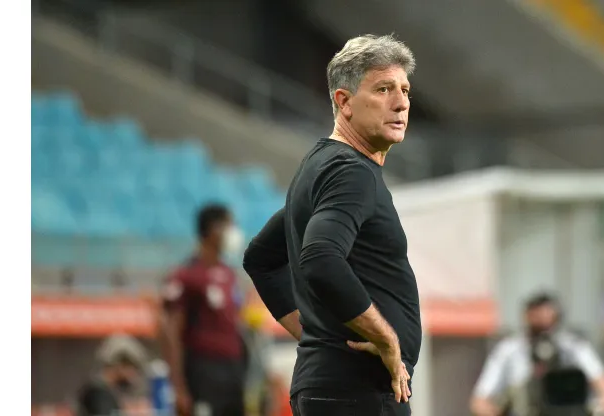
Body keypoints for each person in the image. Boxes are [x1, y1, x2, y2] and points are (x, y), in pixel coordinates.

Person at [242, 34, 421, 416]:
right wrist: (387, 340)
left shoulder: (320, 166)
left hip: (334, 385)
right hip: (357, 392)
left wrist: (317, 338)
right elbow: (321, 258)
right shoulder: (350, 172)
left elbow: (260, 258)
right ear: (343, 101)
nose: (402, 102)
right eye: (384, 89)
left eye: (404, 90)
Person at [159, 204, 248, 416]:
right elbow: (171, 333)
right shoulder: (186, 275)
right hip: (202, 371)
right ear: (213, 229)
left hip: (232, 372)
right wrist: (178, 387)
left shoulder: (229, 273)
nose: (234, 232)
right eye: (229, 225)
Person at [470, 293, 604, 416]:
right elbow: (480, 401)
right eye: (537, 316)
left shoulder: (573, 347)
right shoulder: (509, 350)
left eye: (547, 315)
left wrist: (601, 406)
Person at [77, 334, 146, 416]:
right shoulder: (99, 394)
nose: (134, 375)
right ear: (120, 365)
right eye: (133, 368)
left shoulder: (102, 391)